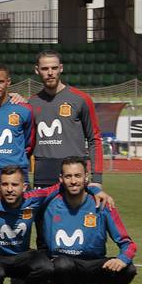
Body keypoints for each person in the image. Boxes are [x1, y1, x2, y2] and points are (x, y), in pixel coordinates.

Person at [42, 157, 136, 284]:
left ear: (86, 177)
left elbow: (127, 243)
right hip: (63, 268)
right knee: (58, 264)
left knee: (128, 269)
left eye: (78, 176)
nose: (73, 181)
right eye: (68, 176)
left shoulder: (102, 204)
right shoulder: (49, 202)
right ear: (61, 179)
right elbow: (21, 197)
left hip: (94, 267)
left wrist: (122, 259)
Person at [28, 50, 103, 187]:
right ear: (37, 70)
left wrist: (97, 178)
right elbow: (27, 145)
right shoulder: (31, 103)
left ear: (61, 68)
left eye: (54, 68)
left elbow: (95, 139)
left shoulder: (81, 99)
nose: (50, 72)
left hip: (74, 172)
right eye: (45, 68)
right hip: (43, 172)